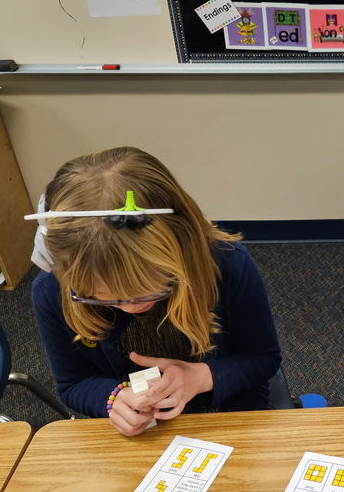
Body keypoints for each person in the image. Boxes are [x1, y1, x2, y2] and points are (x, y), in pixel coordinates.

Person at [30, 147, 282, 436]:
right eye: (101, 296)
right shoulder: (53, 290)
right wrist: (113, 399)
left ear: (183, 247)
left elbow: (263, 358)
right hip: (142, 434)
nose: (130, 308)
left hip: (228, 416)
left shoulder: (227, 265)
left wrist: (202, 377)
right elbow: (73, 383)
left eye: (149, 291)